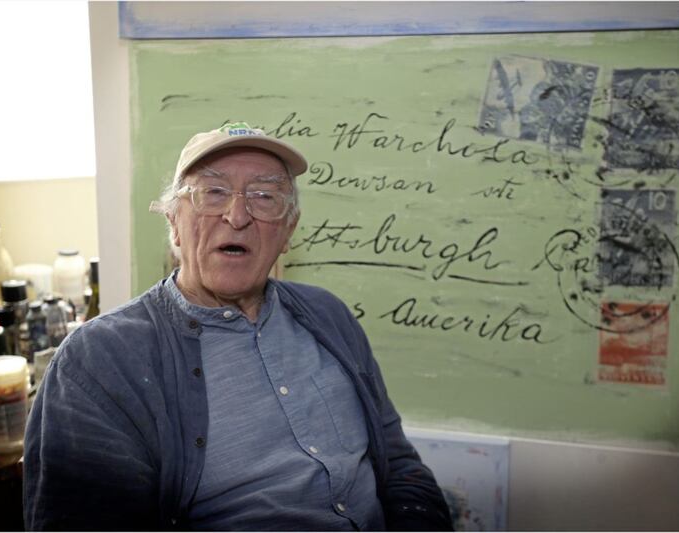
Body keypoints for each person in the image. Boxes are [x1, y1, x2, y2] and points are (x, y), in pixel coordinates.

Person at [23, 122, 452, 531]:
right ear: (173, 222)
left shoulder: (329, 316)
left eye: (265, 196)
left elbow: (398, 463)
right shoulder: (99, 361)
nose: (238, 215)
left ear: (288, 232)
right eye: (212, 193)